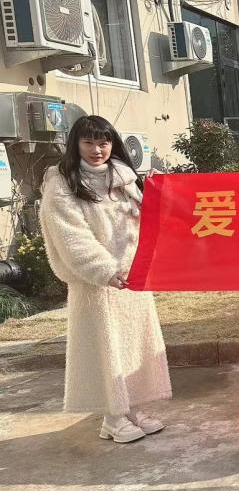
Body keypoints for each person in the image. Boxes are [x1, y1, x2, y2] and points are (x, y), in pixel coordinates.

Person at [39, 115, 171, 443]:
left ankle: (133, 408)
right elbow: (71, 236)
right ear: (75, 144)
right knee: (105, 350)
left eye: (103, 142)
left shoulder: (124, 176)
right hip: (96, 284)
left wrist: (157, 191)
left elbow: (143, 221)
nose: (97, 150)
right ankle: (112, 418)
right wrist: (104, 270)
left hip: (132, 280)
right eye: (88, 142)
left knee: (134, 346)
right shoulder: (62, 182)